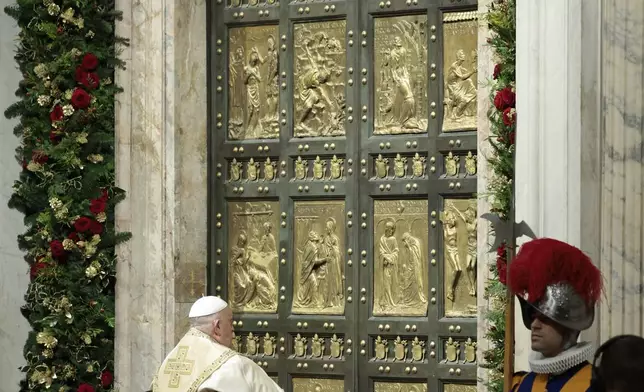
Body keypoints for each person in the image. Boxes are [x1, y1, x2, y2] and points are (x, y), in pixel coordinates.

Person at [508, 238, 603, 392]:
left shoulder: (595, 385)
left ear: (569, 328)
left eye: (545, 319)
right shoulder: (522, 384)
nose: (534, 325)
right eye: (533, 317)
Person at [151, 296, 283, 392]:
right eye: (230, 322)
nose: (233, 330)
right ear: (218, 326)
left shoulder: (168, 361)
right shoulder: (234, 364)